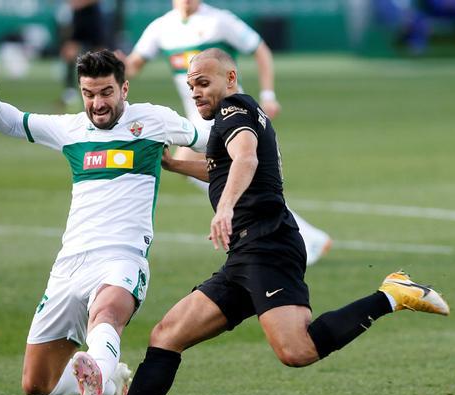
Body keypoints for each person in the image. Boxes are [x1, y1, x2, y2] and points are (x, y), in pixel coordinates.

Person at [109, 48, 450, 395]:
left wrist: (226, 206)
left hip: (269, 245)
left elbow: (245, 158)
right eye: (190, 86)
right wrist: (176, 165)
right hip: (245, 253)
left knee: (297, 350)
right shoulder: (230, 120)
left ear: (230, 79)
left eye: (203, 83)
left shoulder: (235, 110)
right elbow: (221, 165)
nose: (196, 92)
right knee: (167, 336)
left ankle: (392, 294)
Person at [0, 50, 207, 395]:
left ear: (124, 88)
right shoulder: (71, 129)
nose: (97, 103)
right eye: (89, 93)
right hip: (70, 265)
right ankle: (108, 380)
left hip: (123, 258)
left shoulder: (155, 121)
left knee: (107, 314)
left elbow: (212, 140)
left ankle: (98, 372)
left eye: (106, 92)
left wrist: (234, 144)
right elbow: (16, 122)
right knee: (36, 384)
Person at [121, 0, 332, 266]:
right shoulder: (161, 28)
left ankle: (300, 234)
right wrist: (113, 67)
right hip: (197, 121)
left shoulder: (219, 21)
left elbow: (261, 49)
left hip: (228, 115)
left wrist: (268, 95)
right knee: (224, 174)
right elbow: (134, 65)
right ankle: (303, 234)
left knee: (241, 175)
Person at [58, 0, 106, 105]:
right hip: (79, 16)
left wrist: (81, 3)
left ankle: (102, 88)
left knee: (99, 56)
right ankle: (70, 92)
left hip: (92, 16)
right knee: (69, 53)